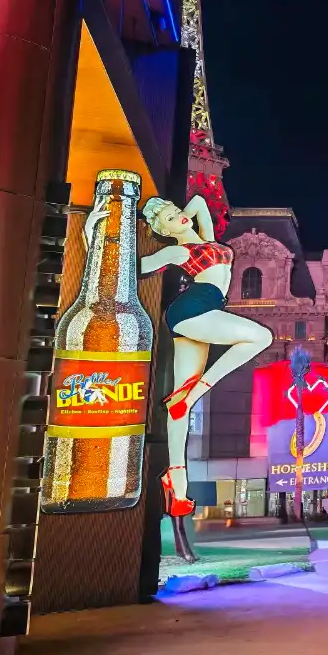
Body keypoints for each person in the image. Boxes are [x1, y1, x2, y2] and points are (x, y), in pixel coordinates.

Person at [87, 194, 273, 519]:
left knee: (179, 407)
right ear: (164, 231)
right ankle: (195, 393)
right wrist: (93, 235)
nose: (180, 218)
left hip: (199, 312)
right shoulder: (177, 250)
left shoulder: (205, 239)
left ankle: (178, 487)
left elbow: (200, 201)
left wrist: (171, 213)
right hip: (194, 310)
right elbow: (133, 269)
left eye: (177, 212)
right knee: (262, 336)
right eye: (172, 219)